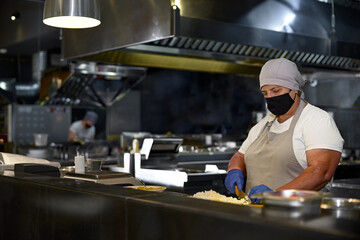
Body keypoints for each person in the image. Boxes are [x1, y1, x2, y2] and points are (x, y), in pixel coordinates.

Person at [225, 58, 344, 203]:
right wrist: (234, 170)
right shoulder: (264, 124)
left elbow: (321, 173)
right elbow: (240, 156)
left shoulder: (317, 120)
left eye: (276, 90)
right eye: (265, 93)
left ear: (294, 89)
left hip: (299, 216)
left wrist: (276, 195)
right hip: (256, 216)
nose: (270, 97)